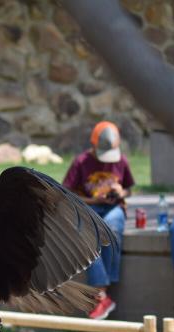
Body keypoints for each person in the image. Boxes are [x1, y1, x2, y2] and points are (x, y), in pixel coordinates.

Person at [63, 121, 135, 320]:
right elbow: (66, 192)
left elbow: (129, 188)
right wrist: (93, 199)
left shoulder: (121, 160)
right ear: (93, 144)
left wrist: (122, 191)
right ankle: (102, 293)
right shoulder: (81, 162)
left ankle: (102, 294)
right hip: (90, 207)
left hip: (114, 207)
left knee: (112, 227)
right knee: (89, 235)